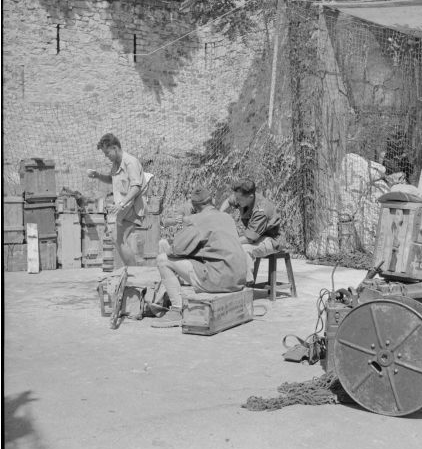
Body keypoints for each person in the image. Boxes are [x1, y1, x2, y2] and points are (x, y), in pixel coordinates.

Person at [154, 187, 247, 328]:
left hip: (219, 279)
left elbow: (177, 248)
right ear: (213, 201)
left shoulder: (197, 220)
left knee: (162, 260)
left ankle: (176, 310)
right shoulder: (227, 217)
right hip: (239, 279)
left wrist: (168, 248)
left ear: (194, 206)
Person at [87, 133, 152, 266]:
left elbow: (136, 187)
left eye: (107, 153)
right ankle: (130, 270)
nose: (106, 156)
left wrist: (122, 203)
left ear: (115, 148)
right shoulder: (116, 163)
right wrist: (97, 175)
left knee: (118, 238)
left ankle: (133, 270)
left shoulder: (130, 162)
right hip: (124, 208)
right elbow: (112, 179)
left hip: (133, 207)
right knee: (117, 238)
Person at [219, 179, 282, 281]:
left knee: (245, 249)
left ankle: (246, 283)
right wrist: (220, 214)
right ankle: (229, 279)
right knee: (233, 243)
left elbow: (249, 239)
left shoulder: (261, 210)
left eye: (239, 199)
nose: (237, 201)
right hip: (256, 235)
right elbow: (228, 201)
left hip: (271, 239)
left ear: (250, 197)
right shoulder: (243, 197)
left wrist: (228, 242)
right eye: (236, 197)